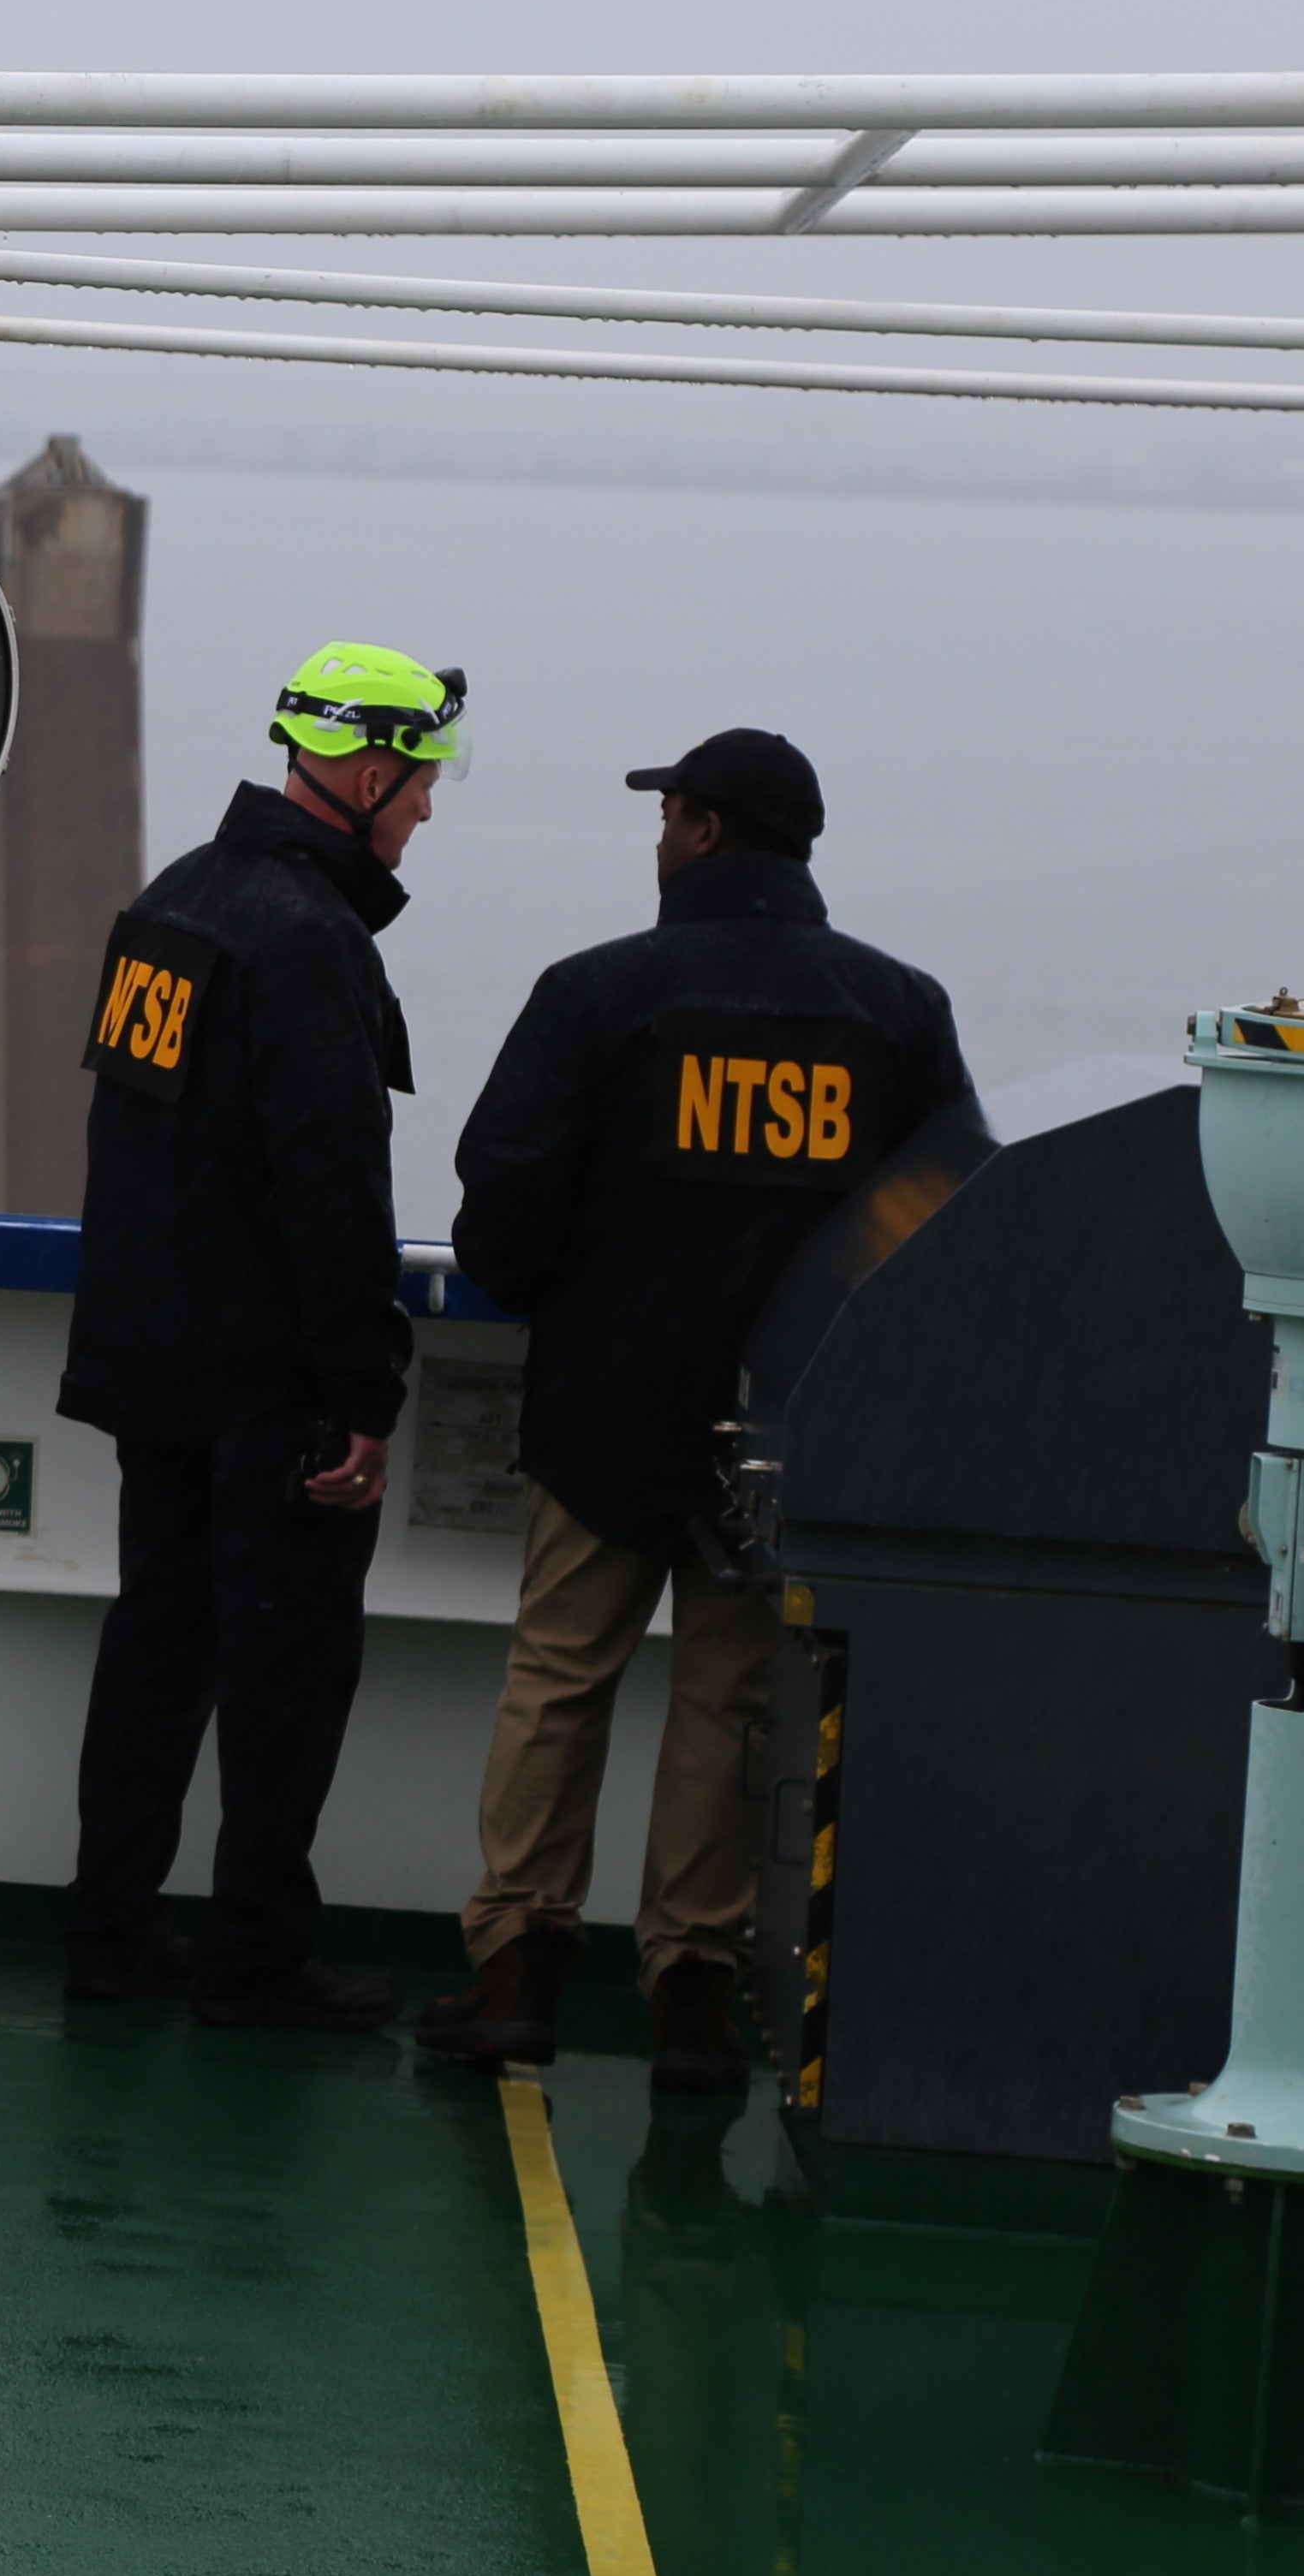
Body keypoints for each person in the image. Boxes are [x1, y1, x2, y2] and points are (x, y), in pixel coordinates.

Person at [428, 729, 971, 2090]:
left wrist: (575, 1295)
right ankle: (691, 1991)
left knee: (559, 1680)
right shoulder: (897, 1012)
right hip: (787, 1429)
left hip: (606, 1408)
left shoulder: (602, 994)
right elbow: (949, 1213)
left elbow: (503, 1194)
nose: (658, 839)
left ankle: (514, 1969)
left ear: (710, 833)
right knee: (733, 1708)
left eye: (669, 817)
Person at [54, 642, 461, 2030]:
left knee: (155, 1653)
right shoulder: (308, 941)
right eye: (418, 783)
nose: (424, 814)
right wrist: (363, 1391)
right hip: (264, 1383)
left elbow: (135, 1148)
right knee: (285, 1676)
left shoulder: (174, 903)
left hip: (152, 1361)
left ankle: (109, 1934)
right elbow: (331, 1185)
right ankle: (255, 1963)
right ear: (360, 768)